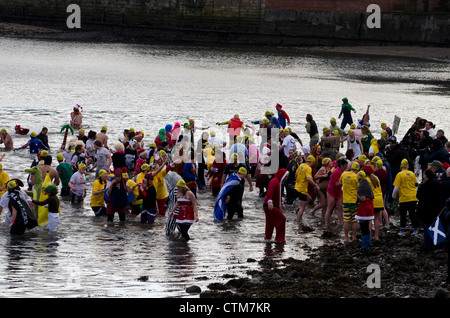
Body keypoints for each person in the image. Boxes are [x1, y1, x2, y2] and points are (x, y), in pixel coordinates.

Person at [416, 169, 442, 251]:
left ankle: (428, 246)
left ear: (426, 175)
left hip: (425, 210)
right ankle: (435, 244)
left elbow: (418, 196)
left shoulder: (423, 186)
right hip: (435, 209)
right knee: (434, 227)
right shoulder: (437, 184)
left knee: (426, 228)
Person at [393, 158, 419, 235]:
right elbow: (416, 185)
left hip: (404, 198)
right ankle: (415, 229)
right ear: (407, 166)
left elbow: (396, 188)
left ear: (401, 166)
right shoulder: (412, 174)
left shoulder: (399, 174)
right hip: (413, 197)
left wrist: (393, 195)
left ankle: (402, 230)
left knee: (403, 215)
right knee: (412, 214)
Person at [263, 168, 289, 243]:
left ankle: (267, 239)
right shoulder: (274, 181)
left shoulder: (278, 182)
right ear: (282, 175)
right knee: (282, 219)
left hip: (269, 205)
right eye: (285, 176)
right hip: (270, 206)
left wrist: (281, 203)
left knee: (270, 223)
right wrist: (270, 202)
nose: (286, 178)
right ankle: (280, 239)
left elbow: (278, 194)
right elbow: (269, 192)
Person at [295, 155, 320, 222]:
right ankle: (298, 221)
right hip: (302, 189)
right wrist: (315, 185)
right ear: (312, 162)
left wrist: (297, 181)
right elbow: (309, 178)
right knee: (302, 208)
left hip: (297, 187)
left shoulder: (301, 165)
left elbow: (296, 174)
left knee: (309, 199)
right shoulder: (308, 168)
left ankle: (298, 210)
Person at [324, 158, 347, 227]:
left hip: (338, 191)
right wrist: (345, 182)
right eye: (345, 165)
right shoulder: (336, 171)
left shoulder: (342, 171)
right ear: (342, 165)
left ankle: (341, 223)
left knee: (340, 208)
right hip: (332, 191)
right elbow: (336, 184)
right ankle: (326, 224)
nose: (346, 167)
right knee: (330, 208)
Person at [340, 162, 360, 242]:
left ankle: (346, 237)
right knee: (354, 220)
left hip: (345, 201)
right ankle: (354, 237)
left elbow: (340, 183)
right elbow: (359, 188)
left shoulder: (344, 174)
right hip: (354, 201)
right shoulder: (357, 177)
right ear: (358, 169)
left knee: (346, 220)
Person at [363, 165, 384, 241]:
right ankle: (376, 236)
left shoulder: (365, 179)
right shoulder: (376, 178)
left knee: (369, 219)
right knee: (376, 219)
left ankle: (370, 236)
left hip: (372, 201)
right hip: (379, 200)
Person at [356, 171, 374, 250]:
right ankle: (367, 244)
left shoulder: (362, 186)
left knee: (363, 228)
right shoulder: (367, 184)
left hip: (364, 208)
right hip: (369, 206)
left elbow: (362, 198)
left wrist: (357, 195)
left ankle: (364, 245)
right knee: (366, 227)